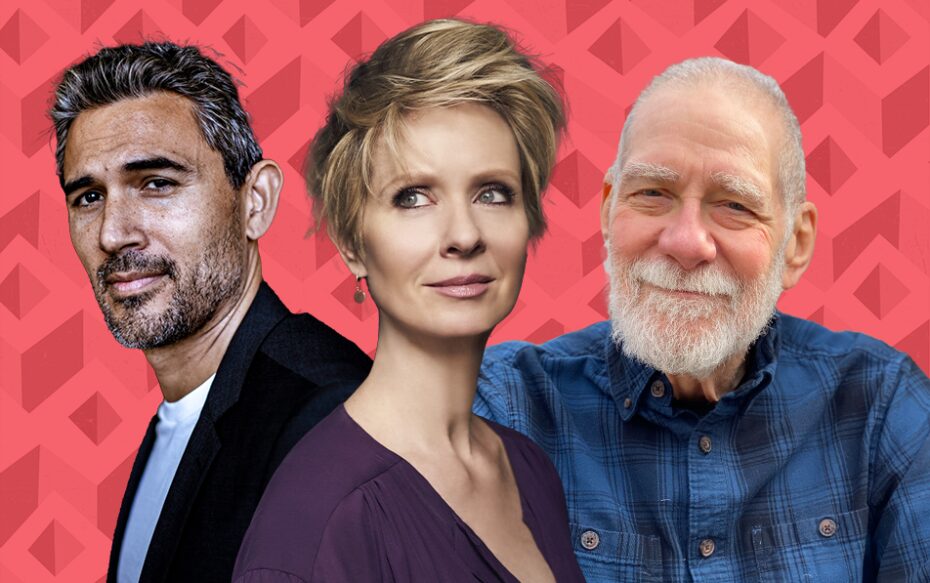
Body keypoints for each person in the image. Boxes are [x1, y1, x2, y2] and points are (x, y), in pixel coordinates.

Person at [475, 56, 930, 582]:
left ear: (796, 244)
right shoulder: (501, 410)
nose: (686, 242)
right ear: (608, 211)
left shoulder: (879, 406)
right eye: (652, 193)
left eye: (734, 204)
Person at [233, 19, 584, 582]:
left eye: (493, 193)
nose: (464, 235)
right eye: (413, 197)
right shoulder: (317, 520)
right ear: (352, 242)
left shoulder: (528, 467)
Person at [50, 42, 371, 583]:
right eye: (88, 197)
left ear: (255, 201)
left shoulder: (326, 420)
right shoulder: (184, 415)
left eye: (157, 184)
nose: (112, 233)